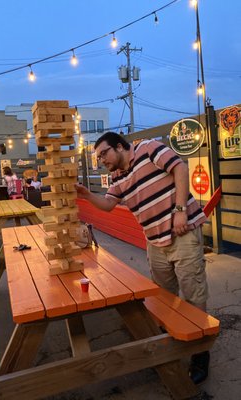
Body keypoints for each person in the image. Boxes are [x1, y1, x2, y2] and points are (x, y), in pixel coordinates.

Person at [75, 132, 210, 384]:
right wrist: (85, 194)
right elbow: (107, 205)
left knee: (193, 295)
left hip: (183, 231)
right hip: (154, 240)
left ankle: (200, 352)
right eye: (98, 157)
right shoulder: (118, 176)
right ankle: (169, 342)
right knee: (163, 295)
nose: (101, 160)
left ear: (119, 146)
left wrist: (180, 210)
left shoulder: (147, 149)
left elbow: (180, 169)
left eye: (104, 153)